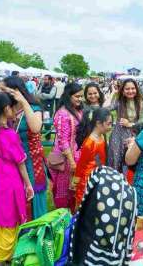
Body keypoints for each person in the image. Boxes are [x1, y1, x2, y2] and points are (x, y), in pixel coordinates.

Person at [0, 92, 34, 266]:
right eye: (14, 107)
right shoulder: (9, 135)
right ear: (6, 109)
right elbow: (20, 163)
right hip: (10, 182)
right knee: (10, 221)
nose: (17, 110)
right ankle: (0, 260)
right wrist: (28, 185)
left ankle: (5, 257)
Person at [1, 76, 47, 220]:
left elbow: (35, 127)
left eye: (3, 90)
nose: (0, 93)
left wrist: (23, 102)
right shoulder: (7, 109)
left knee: (34, 194)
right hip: (13, 161)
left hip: (32, 161)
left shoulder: (34, 107)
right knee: (17, 195)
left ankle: (37, 231)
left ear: (15, 91)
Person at [49, 83, 83, 212]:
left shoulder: (77, 110)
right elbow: (63, 141)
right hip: (66, 157)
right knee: (64, 188)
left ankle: (73, 213)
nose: (80, 99)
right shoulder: (63, 113)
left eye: (81, 96)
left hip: (76, 152)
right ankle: (63, 215)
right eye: (77, 96)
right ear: (68, 96)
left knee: (74, 186)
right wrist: (72, 161)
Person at [105, 78, 143, 173]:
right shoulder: (119, 102)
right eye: (127, 89)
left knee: (130, 165)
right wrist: (113, 92)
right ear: (122, 91)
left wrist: (131, 124)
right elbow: (104, 108)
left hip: (134, 138)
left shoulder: (142, 104)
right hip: (117, 138)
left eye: (133, 88)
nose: (130, 91)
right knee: (115, 163)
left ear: (137, 89)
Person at [74, 108, 113, 208]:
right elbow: (81, 165)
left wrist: (101, 170)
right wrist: (76, 182)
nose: (110, 126)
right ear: (98, 123)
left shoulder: (101, 138)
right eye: (109, 123)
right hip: (87, 181)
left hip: (97, 177)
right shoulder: (89, 143)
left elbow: (97, 158)